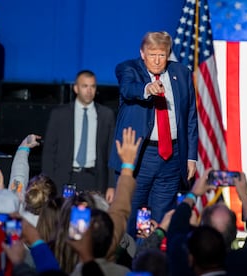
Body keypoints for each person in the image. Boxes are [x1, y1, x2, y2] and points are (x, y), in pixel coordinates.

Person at [108, 31, 198, 238]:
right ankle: (127, 262)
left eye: (162, 55)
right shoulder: (128, 68)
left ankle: (153, 261)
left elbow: (190, 117)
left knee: (162, 218)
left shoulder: (182, 73)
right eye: (152, 54)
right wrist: (148, 88)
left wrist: (191, 156)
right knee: (131, 216)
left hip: (172, 157)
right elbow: (128, 89)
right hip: (141, 157)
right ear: (142, 53)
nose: (157, 61)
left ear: (168, 55)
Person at [42, 70, 116, 202]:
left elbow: (111, 153)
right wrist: (48, 183)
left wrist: (111, 185)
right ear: (76, 88)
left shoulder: (106, 115)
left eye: (92, 86)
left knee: (93, 220)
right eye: (85, 86)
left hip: (95, 179)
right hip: (64, 178)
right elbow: (49, 152)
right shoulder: (59, 114)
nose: (89, 91)